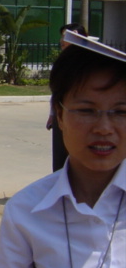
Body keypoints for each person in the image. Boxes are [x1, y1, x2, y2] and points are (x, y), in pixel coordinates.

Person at [0, 35, 126, 268]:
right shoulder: (25, 213)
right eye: (86, 111)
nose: (104, 128)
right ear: (59, 115)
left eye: (121, 112)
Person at [47, 22, 88, 172]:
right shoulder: (61, 63)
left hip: (80, 117)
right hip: (62, 114)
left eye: (69, 37)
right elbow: (56, 91)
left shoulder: (89, 63)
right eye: (63, 36)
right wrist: (52, 114)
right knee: (60, 157)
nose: (63, 40)